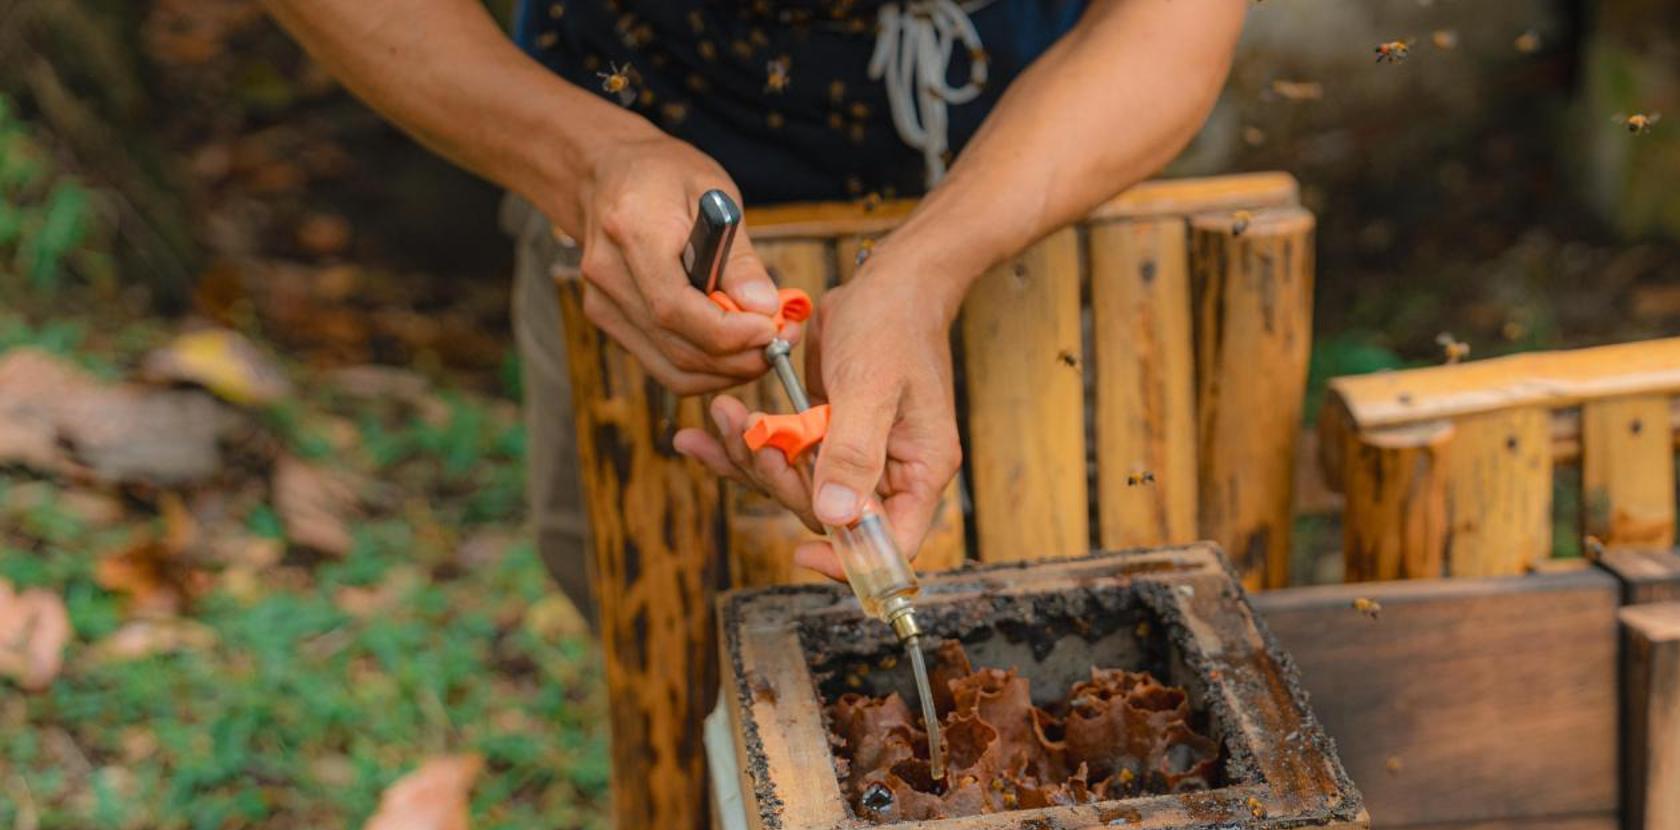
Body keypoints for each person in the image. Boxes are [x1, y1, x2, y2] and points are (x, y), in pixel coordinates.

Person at [262, 0, 1249, 616]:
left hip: (1036, 155)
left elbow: (1164, 23)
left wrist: (928, 265)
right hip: (629, 162)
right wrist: (587, 160)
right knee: (641, 597)